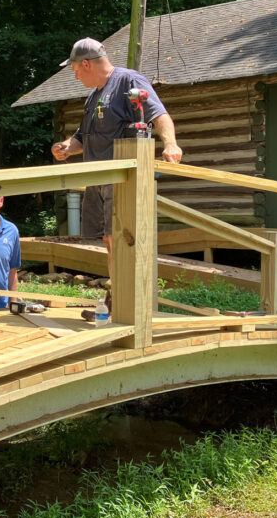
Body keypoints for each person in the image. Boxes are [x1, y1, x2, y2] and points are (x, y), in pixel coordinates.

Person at [50, 37, 182, 318]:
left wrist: (170, 144)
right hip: (97, 179)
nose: (74, 75)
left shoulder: (128, 81)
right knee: (109, 241)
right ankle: (117, 296)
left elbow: (158, 115)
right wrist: (67, 148)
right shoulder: (93, 95)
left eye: (74, 69)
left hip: (121, 178)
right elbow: (83, 137)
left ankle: (126, 302)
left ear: (86, 63)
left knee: (121, 239)